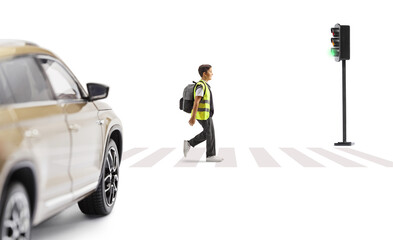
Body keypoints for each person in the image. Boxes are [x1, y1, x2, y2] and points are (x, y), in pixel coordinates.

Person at [183, 64, 224, 162]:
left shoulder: (205, 85)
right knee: (210, 133)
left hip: (205, 114)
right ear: (204, 74)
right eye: (210, 72)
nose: (212, 74)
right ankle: (210, 155)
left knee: (208, 133)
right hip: (202, 115)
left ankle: (189, 143)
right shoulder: (201, 86)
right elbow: (196, 102)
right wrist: (192, 117)